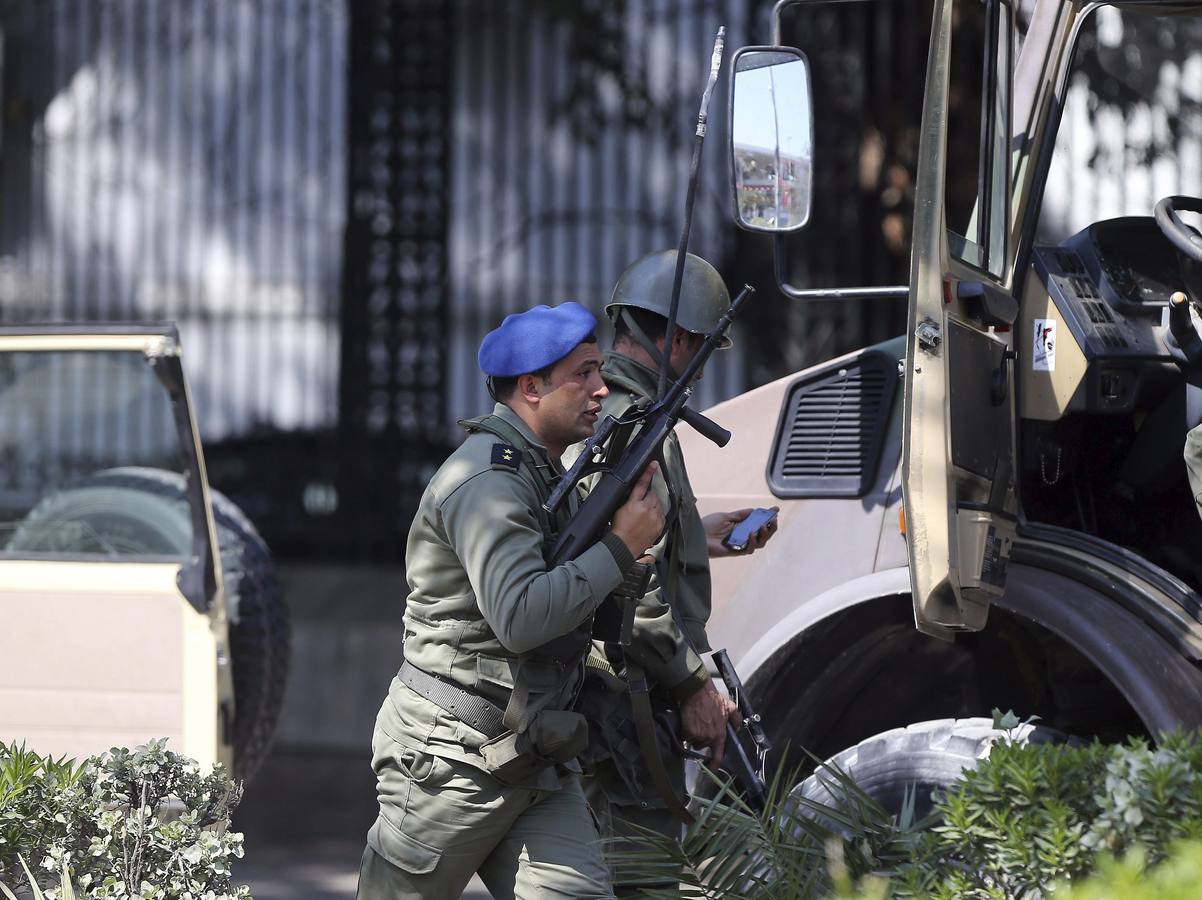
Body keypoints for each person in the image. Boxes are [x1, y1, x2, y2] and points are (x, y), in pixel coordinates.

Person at [356, 301, 665, 900]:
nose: (602, 388)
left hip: (533, 753)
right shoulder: (489, 482)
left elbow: (580, 609)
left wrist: (627, 561)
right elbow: (522, 617)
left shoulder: (546, 473)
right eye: (584, 374)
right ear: (531, 388)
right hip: (450, 765)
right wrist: (619, 550)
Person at [573, 250, 779, 894]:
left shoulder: (627, 416)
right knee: (640, 877)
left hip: (628, 691)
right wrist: (692, 685)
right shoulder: (630, 426)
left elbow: (644, 539)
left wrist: (709, 534)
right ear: (683, 340)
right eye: (703, 348)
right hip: (621, 697)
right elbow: (631, 574)